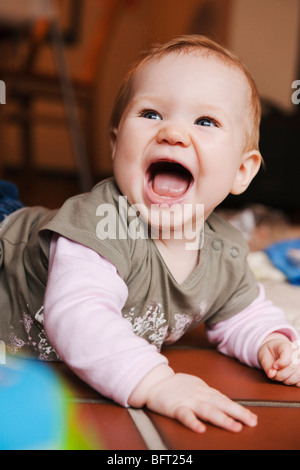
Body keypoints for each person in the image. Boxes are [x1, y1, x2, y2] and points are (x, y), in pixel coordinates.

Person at [0, 35, 299, 434]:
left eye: (205, 121)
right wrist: (155, 382)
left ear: (242, 172)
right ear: (116, 143)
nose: (173, 133)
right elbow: (77, 314)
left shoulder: (223, 251)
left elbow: (243, 312)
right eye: (152, 114)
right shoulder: (103, 221)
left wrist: (270, 341)